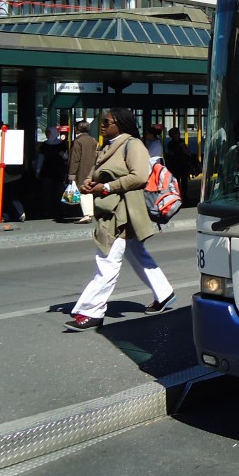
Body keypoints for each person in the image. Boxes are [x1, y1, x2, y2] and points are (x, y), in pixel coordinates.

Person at [65, 108, 176, 331]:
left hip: (122, 212)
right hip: (112, 209)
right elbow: (96, 171)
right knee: (136, 253)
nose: (103, 125)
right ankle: (164, 293)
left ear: (120, 124)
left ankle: (92, 310)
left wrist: (106, 186)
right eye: (102, 122)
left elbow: (139, 176)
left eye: (107, 121)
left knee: (106, 259)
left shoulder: (132, 144)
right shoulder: (107, 144)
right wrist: (88, 182)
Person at [66, 120, 98, 224]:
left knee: (82, 191)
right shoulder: (93, 140)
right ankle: (90, 213)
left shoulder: (78, 141)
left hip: (80, 170)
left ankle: (86, 215)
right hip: (91, 169)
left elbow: (75, 159)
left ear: (78, 128)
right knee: (89, 191)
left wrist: (71, 174)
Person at [35, 126, 68, 217]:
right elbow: (40, 159)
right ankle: (48, 210)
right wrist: (38, 170)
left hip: (57, 172)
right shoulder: (46, 145)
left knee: (59, 192)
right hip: (48, 172)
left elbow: (66, 157)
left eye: (48, 132)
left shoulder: (60, 144)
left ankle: (61, 209)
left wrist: (63, 155)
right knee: (47, 192)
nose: (46, 134)